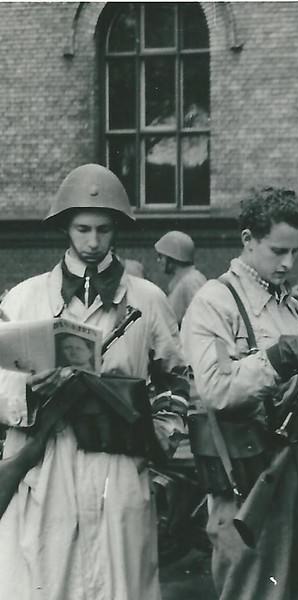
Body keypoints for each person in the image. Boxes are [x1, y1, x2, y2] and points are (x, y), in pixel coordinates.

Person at [0, 163, 189, 600]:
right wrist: (27, 389)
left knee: (118, 586)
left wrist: (159, 436)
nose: (92, 241)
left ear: (117, 229)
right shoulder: (25, 298)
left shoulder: (147, 299)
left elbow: (178, 381)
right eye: (82, 228)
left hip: (119, 466)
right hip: (47, 465)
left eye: (103, 229)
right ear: (65, 226)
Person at [181, 186, 298, 600]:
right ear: (248, 240)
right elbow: (217, 390)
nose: (288, 263)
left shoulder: (289, 307)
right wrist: (279, 358)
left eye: (296, 252)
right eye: (278, 251)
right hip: (248, 479)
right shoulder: (214, 303)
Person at [154, 230, 207, 325]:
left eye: (161, 256)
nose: (158, 260)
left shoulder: (191, 281)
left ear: (172, 257)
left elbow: (202, 320)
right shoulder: (183, 281)